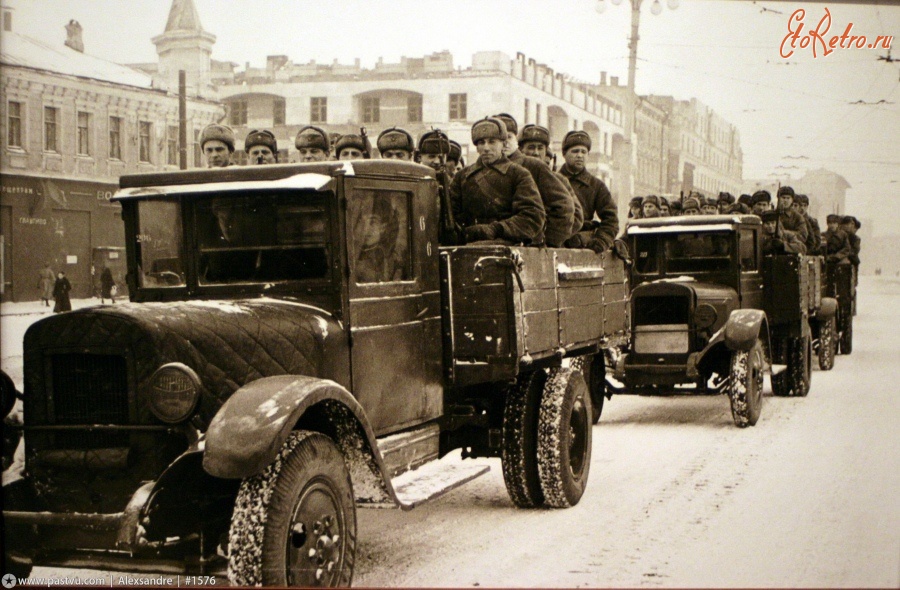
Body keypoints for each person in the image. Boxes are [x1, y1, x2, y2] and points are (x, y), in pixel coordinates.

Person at [448, 117, 545, 246]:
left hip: (508, 248)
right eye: (481, 143)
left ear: (503, 144)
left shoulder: (518, 174)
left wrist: (496, 229)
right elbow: (451, 216)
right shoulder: (462, 176)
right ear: (477, 147)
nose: (486, 148)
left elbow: (533, 216)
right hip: (468, 245)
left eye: (492, 142)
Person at [493, 114, 575, 248]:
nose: (505, 142)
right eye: (498, 138)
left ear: (516, 140)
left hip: (527, 249)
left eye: (509, 137)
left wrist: (548, 242)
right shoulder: (483, 170)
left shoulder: (534, 166)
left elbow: (564, 207)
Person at [518, 124, 585, 241]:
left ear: (546, 151)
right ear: (521, 150)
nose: (536, 153)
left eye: (540, 148)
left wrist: (550, 238)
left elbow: (577, 218)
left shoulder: (559, 180)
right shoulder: (514, 175)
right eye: (531, 147)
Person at [558, 130, 619, 251]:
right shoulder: (553, 180)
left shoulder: (596, 185)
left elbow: (611, 219)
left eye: (584, 152)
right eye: (575, 151)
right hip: (555, 241)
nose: (580, 155)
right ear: (564, 154)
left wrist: (602, 240)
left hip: (581, 245)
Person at [354, 198, 404, 283]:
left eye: (372, 222)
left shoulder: (392, 258)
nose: (366, 229)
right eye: (362, 222)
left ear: (383, 227)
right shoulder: (355, 253)